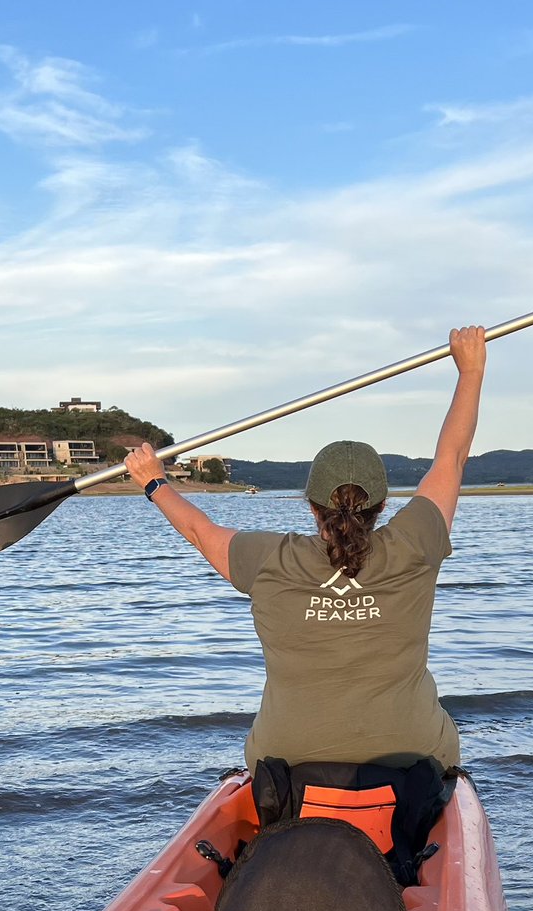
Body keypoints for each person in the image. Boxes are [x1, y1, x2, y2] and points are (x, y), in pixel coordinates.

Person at [124, 325, 487, 774]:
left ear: (311, 506)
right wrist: (471, 370)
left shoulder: (266, 558)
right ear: (382, 504)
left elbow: (200, 530)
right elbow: (452, 457)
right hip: (414, 757)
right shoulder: (416, 541)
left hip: (287, 763)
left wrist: (153, 481)